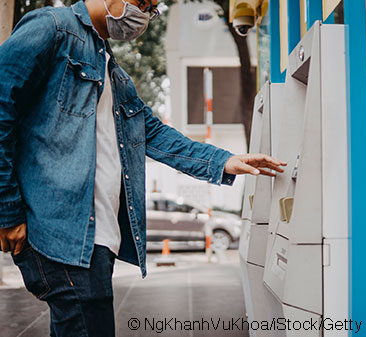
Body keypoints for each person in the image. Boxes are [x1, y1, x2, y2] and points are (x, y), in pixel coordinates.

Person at [0, 0, 286, 335]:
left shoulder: (111, 69)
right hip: (61, 232)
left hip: (95, 238)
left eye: (151, 8)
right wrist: (7, 212)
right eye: (142, 3)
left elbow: (152, 133)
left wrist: (224, 161)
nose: (146, 15)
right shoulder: (51, 28)